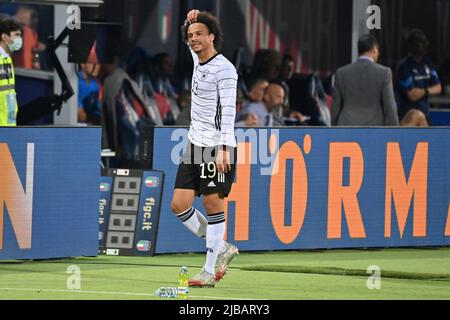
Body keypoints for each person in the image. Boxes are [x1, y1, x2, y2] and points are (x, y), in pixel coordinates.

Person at [171, 9, 239, 288]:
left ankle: (209, 271)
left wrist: (224, 148)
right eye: (190, 36)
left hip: (217, 145)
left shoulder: (225, 69)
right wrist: (189, 19)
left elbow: (229, 111)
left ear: (212, 37)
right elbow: (187, 31)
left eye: (200, 34)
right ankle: (222, 247)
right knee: (179, 205)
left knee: (213, 205)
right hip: (194, 143)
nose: (194, 39)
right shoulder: (197, 59)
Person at [331, 34, 399, 126]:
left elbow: (335, 107)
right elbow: (390, 107)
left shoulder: (341, 73)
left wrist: (333, 128)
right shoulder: (384, 73)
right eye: (378, 51)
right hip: (374, 129)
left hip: (346, 127)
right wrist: (394, 133)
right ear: (374, 49)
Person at [395, 29, 442, 125]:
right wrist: (429, 89)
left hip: (425, 115)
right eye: (418, 43)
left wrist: (425, 91)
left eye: (422, 43)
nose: (421, 46)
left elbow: (438, 88)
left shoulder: (427, 63)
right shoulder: (403, 66)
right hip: (407, 117)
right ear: (411, 45)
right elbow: (413, 95)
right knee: (417, 115)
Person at [236, 81, 305, 127]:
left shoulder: (270, 113)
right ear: (266, 97)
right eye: (278, 97)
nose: (282, 102)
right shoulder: (251, 111)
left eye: (282, 98)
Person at [0, 19, 22, 126]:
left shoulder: (8, 58)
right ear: (4, 37)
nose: (19, 39)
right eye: (16, 35)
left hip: (9, 122)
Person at [13, 5, 46, 70]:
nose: (36, 20)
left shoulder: (31, 30)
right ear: (22, 13)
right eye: (33, 16)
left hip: (30, 72)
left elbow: (34, 47)